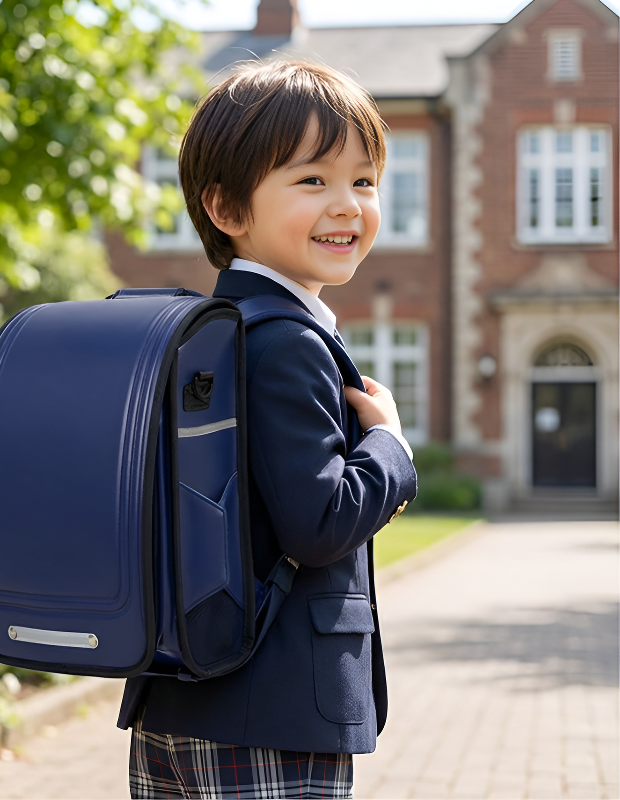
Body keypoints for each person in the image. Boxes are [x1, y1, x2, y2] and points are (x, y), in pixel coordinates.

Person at [117, 59, 418, 799]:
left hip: (177, 698)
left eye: (365, 181)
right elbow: (316, 524)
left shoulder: (201, 335)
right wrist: (391, 449)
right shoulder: (286, 340)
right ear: (226, 208)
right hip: (274, 714)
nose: (348, 205)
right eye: (313, 181)